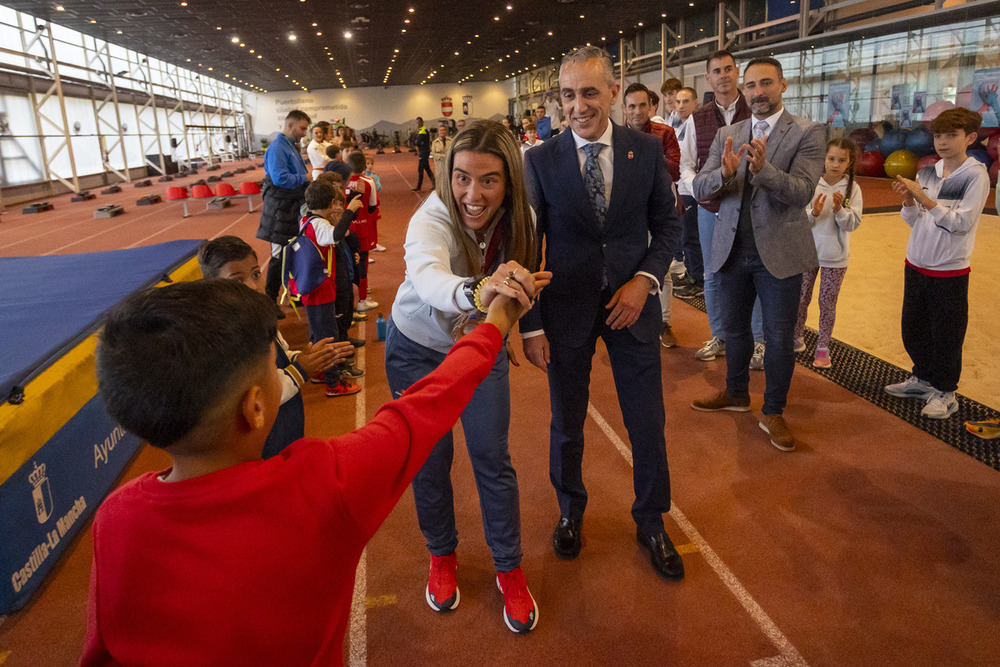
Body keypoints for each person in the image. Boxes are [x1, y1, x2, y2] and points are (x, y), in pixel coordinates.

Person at [81, 266, 538, 665]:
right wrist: (496, 321)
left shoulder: (115, 519)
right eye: (275, 366)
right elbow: (429, 401)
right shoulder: (323, 485)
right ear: (255, 407)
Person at [522, 46, 684, 581]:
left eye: (589, 92)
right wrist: (532, 323)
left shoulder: (646, 148)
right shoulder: (541, 160)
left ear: (614, 92)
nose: (578, 105)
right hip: (565, 309)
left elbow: (669, 227)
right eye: (568, 95)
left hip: (632, 308)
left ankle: (652, 520)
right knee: (567, 423)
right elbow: (527, 245)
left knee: (647, 421)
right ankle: (571, 511)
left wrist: (645, 280)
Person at [385, 121, 550, 634]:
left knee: (492, 459)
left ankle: (509, 567)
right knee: (430, 463)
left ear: (509, 181)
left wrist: (524, 324)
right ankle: (442, 555)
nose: (472, 195)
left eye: (488, 180)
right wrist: (482, 290)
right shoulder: (429, 219)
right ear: (446, 175)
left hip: (481, 350)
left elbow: (523, 281)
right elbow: (431, 280)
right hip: (417, 352)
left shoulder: (521, 216)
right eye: (461, 178)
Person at [690, 57, 825, 452]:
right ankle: (735, 394)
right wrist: (725, 174)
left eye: (766, 83)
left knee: (780, 338)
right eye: (751, 85)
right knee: (733, 330)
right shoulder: (728, 133)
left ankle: (774, 410)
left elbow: (801, 192)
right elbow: (700, 187)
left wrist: (763, 171)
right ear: (743, 89)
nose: (758, 92)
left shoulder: (808, 132)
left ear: (783, 85)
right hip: (731, 250)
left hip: (780, 253)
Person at [197, 236, 352, 455]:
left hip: (287, 419)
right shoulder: (225, 336)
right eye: (237, 280)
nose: (253, 286)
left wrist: (304, 357)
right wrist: (301, 370)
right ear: (214, 288)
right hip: (261, 436)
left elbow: (282, 351)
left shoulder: (260, 314)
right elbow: (258, 395)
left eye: (256, 274)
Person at [884, 107, 989, 419]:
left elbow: (960, 224)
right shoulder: (928, 171)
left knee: (947, 335)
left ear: (970, 137)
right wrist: (907, 200)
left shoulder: (974, 176)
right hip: (915, 263)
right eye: (938, 135)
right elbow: (914, 220)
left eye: (951, 135)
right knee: (912, 329)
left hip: (949, 270)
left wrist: (926, 200)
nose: (942, 141)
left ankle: (946, 391)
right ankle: (923, 378)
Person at [678, 50, 764, 365]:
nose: (723, 74)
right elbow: (687, 166)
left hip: (749, 207)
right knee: (713, 273)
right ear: (709, 77)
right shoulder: (695, 119)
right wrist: (704, 184)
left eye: (728, 68)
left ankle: (758, 342)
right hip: (710, 209)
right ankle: (720, 336)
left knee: (753, 271)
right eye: (717, 70)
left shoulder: (757, 112)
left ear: (737, 72)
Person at [621, 81, 682, 348]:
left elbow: (675, 168)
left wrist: (640, 163)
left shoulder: (664, 132)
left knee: (662, 269)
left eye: (642, 105)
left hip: (658, 208)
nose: (637, 111)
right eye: (631, 106)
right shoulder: (613, 136)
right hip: (625, 212)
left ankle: (663, 322)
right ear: (623, 108)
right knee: (625, 267)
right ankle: (627, 320)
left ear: (651, 105)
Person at [793, 138, 863, 368]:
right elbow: (800, 219)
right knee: (801, 298)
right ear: (823, 159)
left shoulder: (852, 189)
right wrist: (814, 212)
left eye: (841, 160)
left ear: (849, 163)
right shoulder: (812, 183)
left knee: (827, 302)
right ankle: (796, 336)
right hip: (808, 253)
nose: (835, 164)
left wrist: (840, 210)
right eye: (831, 158)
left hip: (835, 258)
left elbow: (853, 224)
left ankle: (823, 347)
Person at [295, 180, 365, 397]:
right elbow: (336, 235)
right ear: (329, 202)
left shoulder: (306, 220)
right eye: (335, 202)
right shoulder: (320, 225)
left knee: (318, 334)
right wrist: (350, 212)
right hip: (322, 289)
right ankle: (335, 383)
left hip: (311, 288)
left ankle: (321, 371)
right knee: (329, 336)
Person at [256, 110, 310, 303]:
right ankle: (270, 300)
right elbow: (280, 178)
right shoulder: (278, 147)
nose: (305, 133)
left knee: (294, 253)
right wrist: (306, 178)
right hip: (279, 211)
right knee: (279, 257)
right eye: (302, 128)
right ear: (290, 125)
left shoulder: (290, 147)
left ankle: (294, 293)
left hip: (290, 209)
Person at [672, 86, 705, 300]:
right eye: (678, 102)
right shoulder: (675, 126)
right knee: (684, 235)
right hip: (679, 188)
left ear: (695, 103)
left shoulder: (698, 126)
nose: (681, 106)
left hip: (693, 189)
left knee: (691, 236)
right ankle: (691, 272)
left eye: (686, 101)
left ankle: (697, 279)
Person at [345, 151, 380, 313]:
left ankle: (346, 301)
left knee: (344, 263)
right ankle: (362, 300)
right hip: (362, 229)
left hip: (344, 229)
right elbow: (373, 206)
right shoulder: (369, 181)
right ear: (365, 166)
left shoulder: (342, 181)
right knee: (362, 265)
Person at [413, 116, 434, 191]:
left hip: (424, 152)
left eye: (418, 122)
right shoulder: (421, 130)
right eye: (417, 122)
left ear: (422, 122)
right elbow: (418, 142)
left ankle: (419, 187)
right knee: (427, 168)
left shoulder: (422, 131)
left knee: (421, 169)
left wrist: (417, 142)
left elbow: (417, 142)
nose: (417, 124)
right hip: (424, 151)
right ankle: (434, 184)